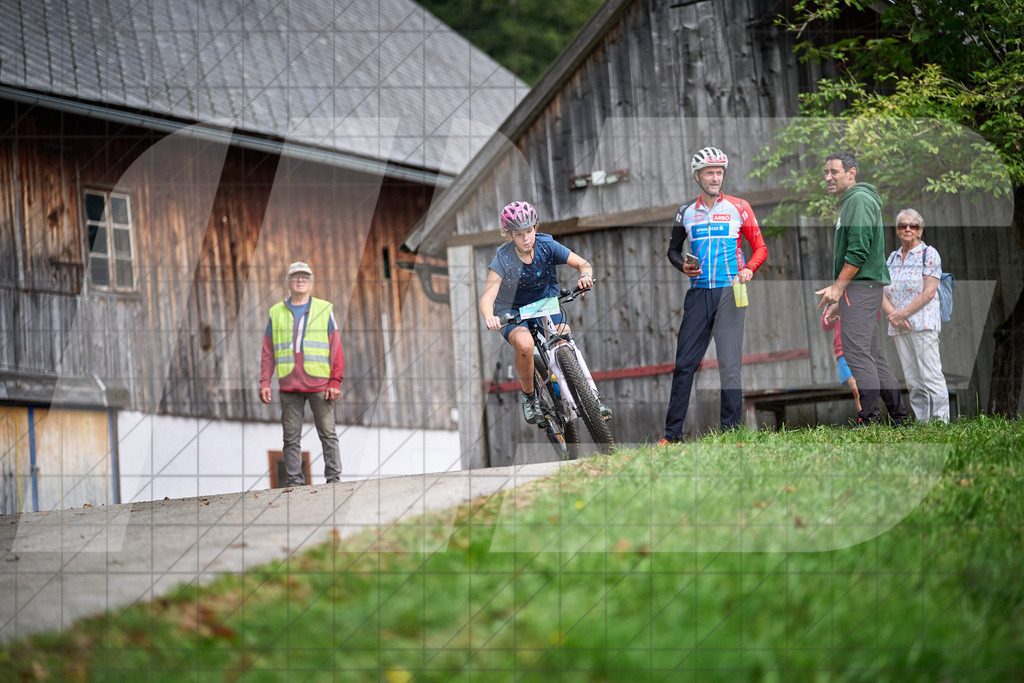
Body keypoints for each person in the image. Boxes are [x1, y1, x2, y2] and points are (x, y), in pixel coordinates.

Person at [660, 146, 768, 443]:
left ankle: (731, 434)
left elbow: (760, 247)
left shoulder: (739, 207)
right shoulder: (685, 212)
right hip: (698, 294)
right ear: (697, 176)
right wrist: (683, 266)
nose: (715, 177)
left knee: (729, 365)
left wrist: (749, 269)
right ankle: (672, 436)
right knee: (684, 365)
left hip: (731, 292)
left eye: (719, 172)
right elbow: (672, 250)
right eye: (709, 172)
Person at [478, 201, 599, 425]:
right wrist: (489, 316)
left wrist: (585, 275)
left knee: (564, 339)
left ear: (536, 226)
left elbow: (583, 264)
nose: (526, 239)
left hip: (545, 303)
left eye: (530, 231)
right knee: (525, 346)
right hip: (512, 310)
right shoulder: (503, 259)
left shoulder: (547, 245)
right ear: (508, 234)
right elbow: (487, 297)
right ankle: (529, 396)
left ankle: (591, 395)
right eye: (519, 234)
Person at [815, 152, 909, 426]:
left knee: (856, 354)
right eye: (826, 172)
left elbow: (858, 251)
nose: (829, 177)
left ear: (851, 173)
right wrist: (838, 299)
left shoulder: (859, 200)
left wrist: (838, 287)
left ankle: (869, 419)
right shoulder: (850, 203)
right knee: (872, 355)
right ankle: (900, 418)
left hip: (861, 288)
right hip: (858, 289)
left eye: (834, 171)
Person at [260, 261, 344, 486]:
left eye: (305, 276)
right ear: (288, 281)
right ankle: (295, 483)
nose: (300, 280)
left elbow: (336, 346)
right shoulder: (276, 312)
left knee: (328, 434)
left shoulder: (324, 309)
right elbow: (268, 350)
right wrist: (265, 381)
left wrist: (335, 381)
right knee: (290, 438)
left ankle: (334, 480)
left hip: (320, 385)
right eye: (296, 276)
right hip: (289, 386)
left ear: (311, 282)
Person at [882, 209, 950, 421]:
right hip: (899, 326)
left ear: (920, 231)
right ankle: (923, 423)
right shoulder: (892, 257)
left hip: (922, 324)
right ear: (897, 230)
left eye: (913, 226)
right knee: (912, 379)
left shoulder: (929, 254)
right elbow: (880, 290)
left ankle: (941, 424)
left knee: (930, 376)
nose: (908, 229)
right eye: (903, 225)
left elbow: (929, 291)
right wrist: (894, 315)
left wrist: (902, 314)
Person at [822, 304, 862, 413]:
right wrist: (829, 305)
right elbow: (826, 326)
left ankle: (870, 418)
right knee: (856, 390)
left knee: (864, 388)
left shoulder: (857, 295)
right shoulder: (833, 302)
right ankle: (865, 420)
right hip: (842, 351)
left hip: (860, 348)